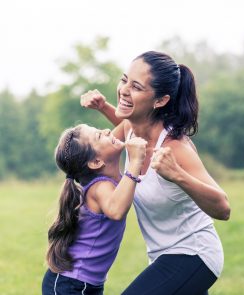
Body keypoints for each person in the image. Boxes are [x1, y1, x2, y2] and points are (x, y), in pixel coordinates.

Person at [80, 51, 231, 294]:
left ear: (160, 101)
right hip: (162, 256)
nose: (124, 89)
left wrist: (177, 175)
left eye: (136, 87)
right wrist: (103, 107)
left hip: (194, 254)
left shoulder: (175, 148)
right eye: (124, 79)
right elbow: (110, 141)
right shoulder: (129, 130)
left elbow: (223, 208)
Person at [42, 124, 147, 295]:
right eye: (99, 135)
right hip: (71, 284)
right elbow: (116, 211)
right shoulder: (100, 187)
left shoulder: (109, 179)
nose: (107, 131)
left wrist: (103, 106)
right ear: (96, 162)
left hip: (83, 283)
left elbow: (126, 124)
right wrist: (135, 162)